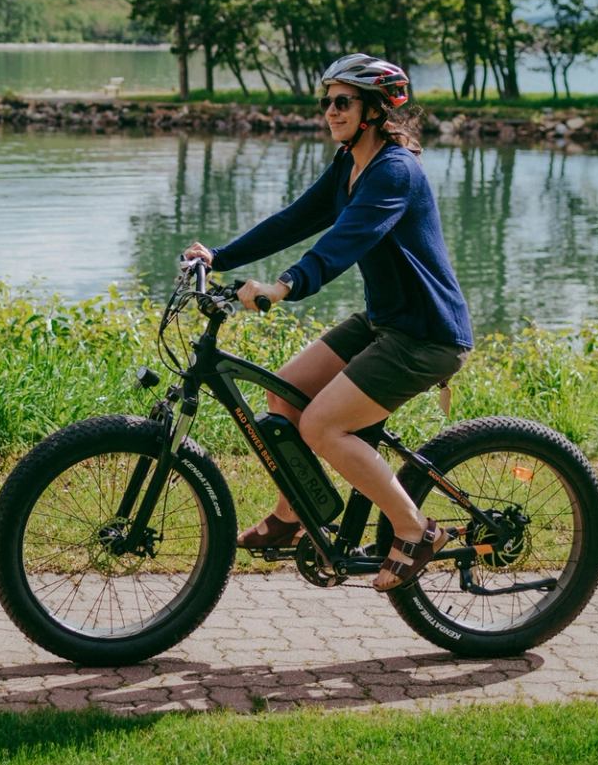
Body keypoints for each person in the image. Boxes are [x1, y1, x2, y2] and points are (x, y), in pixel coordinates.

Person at [183, 53, 475, 592]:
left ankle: (416, 530)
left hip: (425, 334)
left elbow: (344, 242)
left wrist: (284, 286)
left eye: (343, 101)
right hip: (387, 320)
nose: (330, 111)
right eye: (327, 101)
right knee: (286, 393)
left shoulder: (394, 171)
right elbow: (297, 218)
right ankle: (292, 517)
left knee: (322, 426)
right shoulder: (350, 164)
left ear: (375, 110)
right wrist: (219, 257)